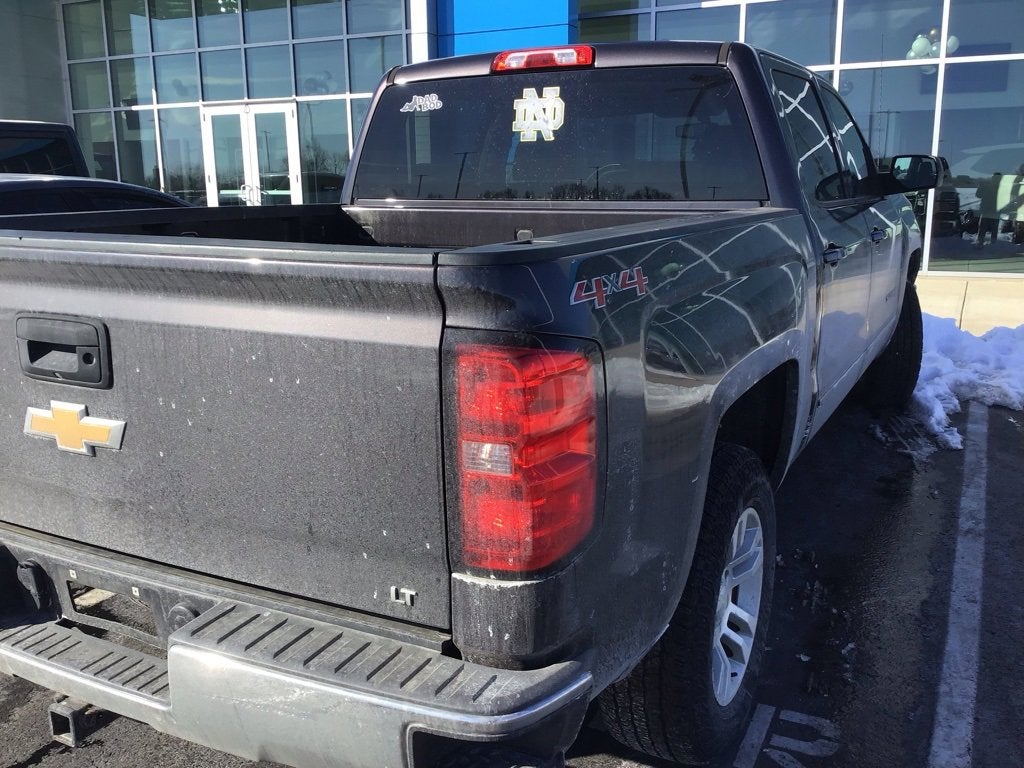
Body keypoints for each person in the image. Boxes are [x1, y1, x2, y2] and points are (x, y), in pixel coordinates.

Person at [975, 172, 1002, 248]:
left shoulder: (1001, 188)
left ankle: (984, 243)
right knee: (986, 228)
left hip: (991, 211)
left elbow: (978, 195)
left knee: (987, 228)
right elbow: (978, 195)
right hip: (989, 211)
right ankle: (984, 243)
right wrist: (981, 187)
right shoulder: (987, 186)